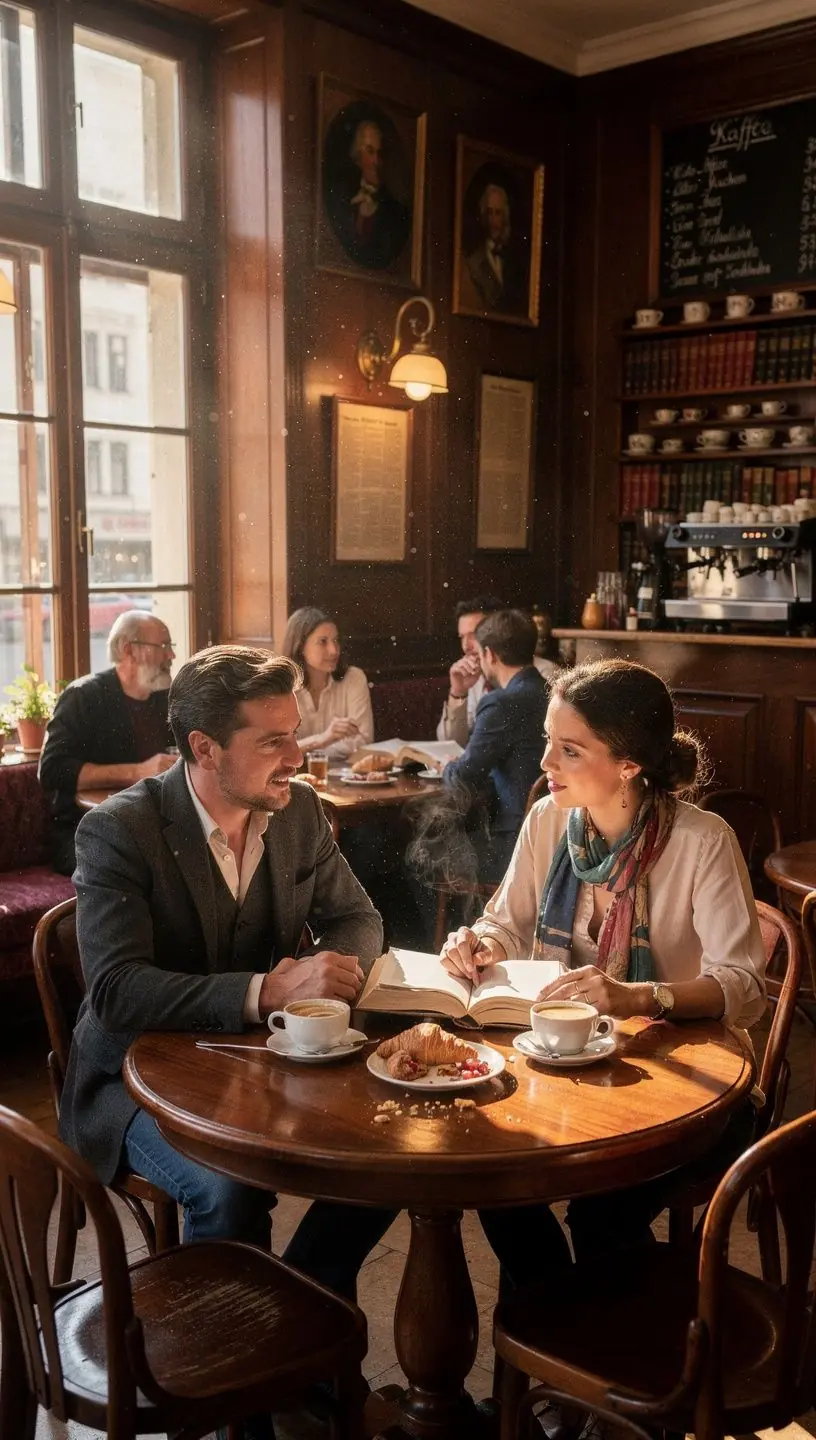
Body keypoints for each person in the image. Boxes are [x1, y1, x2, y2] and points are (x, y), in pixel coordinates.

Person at [58, 647, 394, 1320]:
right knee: (231, 1192)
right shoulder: (118, 831)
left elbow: (358, 918)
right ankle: (232, 1411)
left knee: (383, 1162)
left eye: (294, 733)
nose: (297, 756)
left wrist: (327, 988)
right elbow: (118, 991)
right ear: (205, 748)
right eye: (273, 742)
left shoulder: (298, 812)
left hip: (258, 1068)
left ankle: (293, 1326)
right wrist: (267, 992)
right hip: (130, 1081)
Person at [441, 657, 766, 1296]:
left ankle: (598, 1359)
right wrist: (476, 943)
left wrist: (634, 996)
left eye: (568, 750)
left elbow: (745, 989)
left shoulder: (702, 841)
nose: (545, 766)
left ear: (627, 765)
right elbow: (506, 922)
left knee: (600, 1215)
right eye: (546, 744)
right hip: (565, 1072)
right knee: (495, 1182)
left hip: (689, 1091)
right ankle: (569, 1337)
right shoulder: (547, 823)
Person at [38, 610, 176, 875]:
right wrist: (138, 772)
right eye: (163, 646)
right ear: (128, 650)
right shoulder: (83, 696)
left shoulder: (166, 698)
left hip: (150, 827)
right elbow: (53, 770)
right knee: (144, 870)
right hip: (87, 832)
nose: (171, 656)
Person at [440, 608, 550, 885]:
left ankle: (451, 928)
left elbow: (464, 776)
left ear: (489, 654)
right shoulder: (552, 691)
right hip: (551, 841)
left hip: (512, 847)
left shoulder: (500, 702)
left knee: (426, 861)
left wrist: (448, 767)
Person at [437, 596, 555, 746]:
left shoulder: (544, 673)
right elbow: (450, 743)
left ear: (499, 632)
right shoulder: (472, 676)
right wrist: (458, 692)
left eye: (473, 635)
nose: (466, 646)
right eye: (462, 637)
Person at [282, 607, 373, 763]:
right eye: (323, 642)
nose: (334, 650)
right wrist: (324, 739)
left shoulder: (354, 678)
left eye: (336, 640)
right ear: (300, 646)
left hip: (343, 777)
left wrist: (304, 750)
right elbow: (279, 749)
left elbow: (363, 741)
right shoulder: (282, 686)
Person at [327, 117, 411, 271]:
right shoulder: (342, 198)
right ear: (358, 156)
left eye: (379, 153)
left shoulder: (396, 211)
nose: (375, 161)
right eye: (370, 151)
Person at [464, 183, 526, 314]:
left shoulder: (514, 262)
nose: (493, 220)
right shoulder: (474, 262)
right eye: (489, 213)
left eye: (497, 213)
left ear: (505, 217)